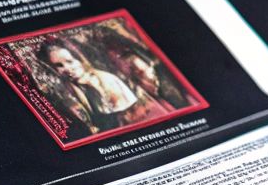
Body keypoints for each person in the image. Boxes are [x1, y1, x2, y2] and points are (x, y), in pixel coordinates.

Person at [39, 40, 174, 135]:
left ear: (80, 59)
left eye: (70, 61)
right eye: (59, 66)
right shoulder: (74, 88)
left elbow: (127, 120)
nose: (67, 69)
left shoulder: (103, 80)